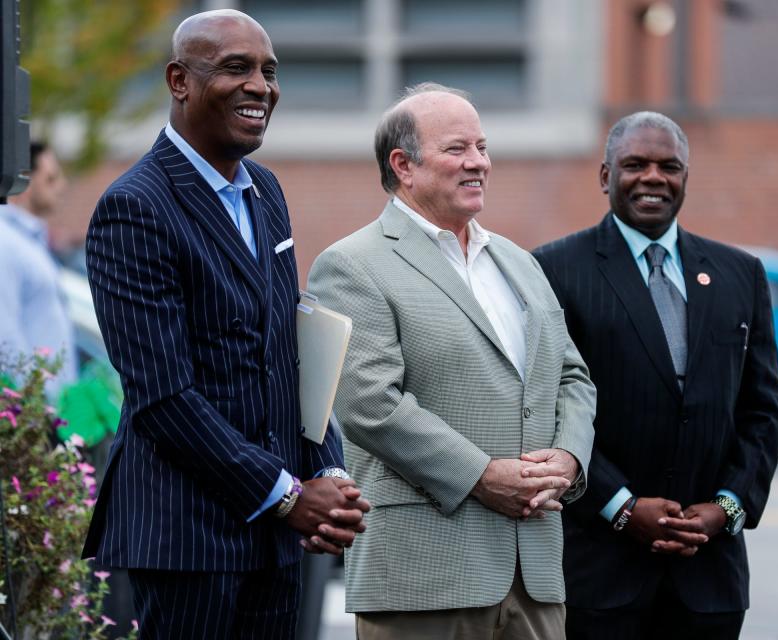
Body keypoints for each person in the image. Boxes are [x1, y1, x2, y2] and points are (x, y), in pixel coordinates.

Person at [81, 10, 369, 638]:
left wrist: (328, 470)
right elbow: (164, 398)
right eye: (236, 68)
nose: (260, 87)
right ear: (179, 80)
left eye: (268, 71)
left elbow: (288, 353)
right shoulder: (134, 208)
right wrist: (289, 495)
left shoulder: (265, 190)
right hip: (187, 540)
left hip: (273, 539)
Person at [308, 83, 596, 639]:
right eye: (458, 148)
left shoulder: (517, 261)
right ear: (403, 165)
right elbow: (369, 403)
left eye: (483, 148)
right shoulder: (351, 264)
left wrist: (568, 460)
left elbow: (572, 376)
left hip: (533, 571)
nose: (479, 163)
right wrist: (484, 476)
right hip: (424, 575)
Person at [533, 112, 778, 640]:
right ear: (606, 176)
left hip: (708, 578)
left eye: (669, 166)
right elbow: (546, 410)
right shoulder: (554, 270)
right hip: (599, 574)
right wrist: (621, 507)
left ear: (686, 177)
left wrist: (726, 508)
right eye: (635, 164)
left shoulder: (740, 274)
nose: (654, 177)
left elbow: (761, 414)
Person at [0, 142, 76, 393]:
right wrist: (36, 410)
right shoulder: (7, 241)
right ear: (25, 179)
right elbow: (6, 336)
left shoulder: (28, 239)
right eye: (51, 179)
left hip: (48, 413)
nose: (62, 186)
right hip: (36, 416)